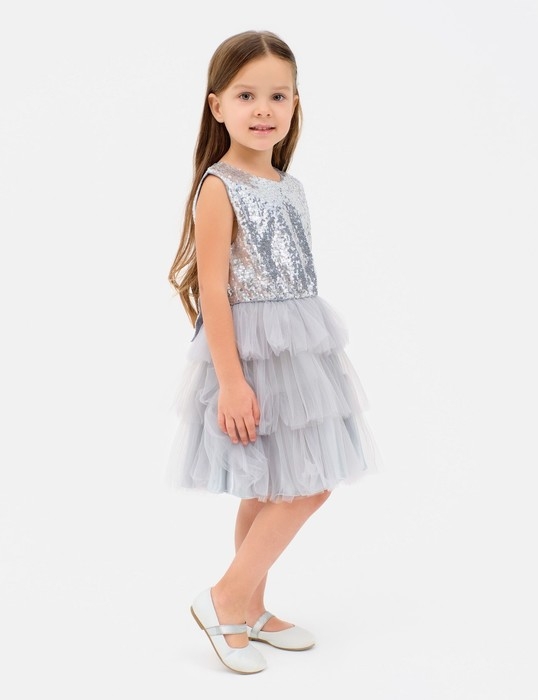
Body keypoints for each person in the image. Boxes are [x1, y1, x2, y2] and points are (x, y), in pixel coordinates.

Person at [167, 29, 382, 674]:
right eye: (246, 95)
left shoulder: (290, 185)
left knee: (276, 487)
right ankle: (224, 599)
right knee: (305, 485)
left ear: (295, 105)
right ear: (217, 106)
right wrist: (232, 382)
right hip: (251, 353)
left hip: (300, 348)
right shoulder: (218, 186)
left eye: (278, 96)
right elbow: (214, 289)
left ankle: (249, 610)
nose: (263, 109)